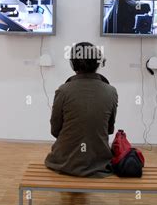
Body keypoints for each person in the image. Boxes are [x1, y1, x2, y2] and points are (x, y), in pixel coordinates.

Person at [45, 42, 118, 177]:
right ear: (97, 63)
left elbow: (55, 131)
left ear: (72, 64)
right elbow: (109, 130)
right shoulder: (111, 91)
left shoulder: (63, 90)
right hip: (99, 163)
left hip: (64, 163)